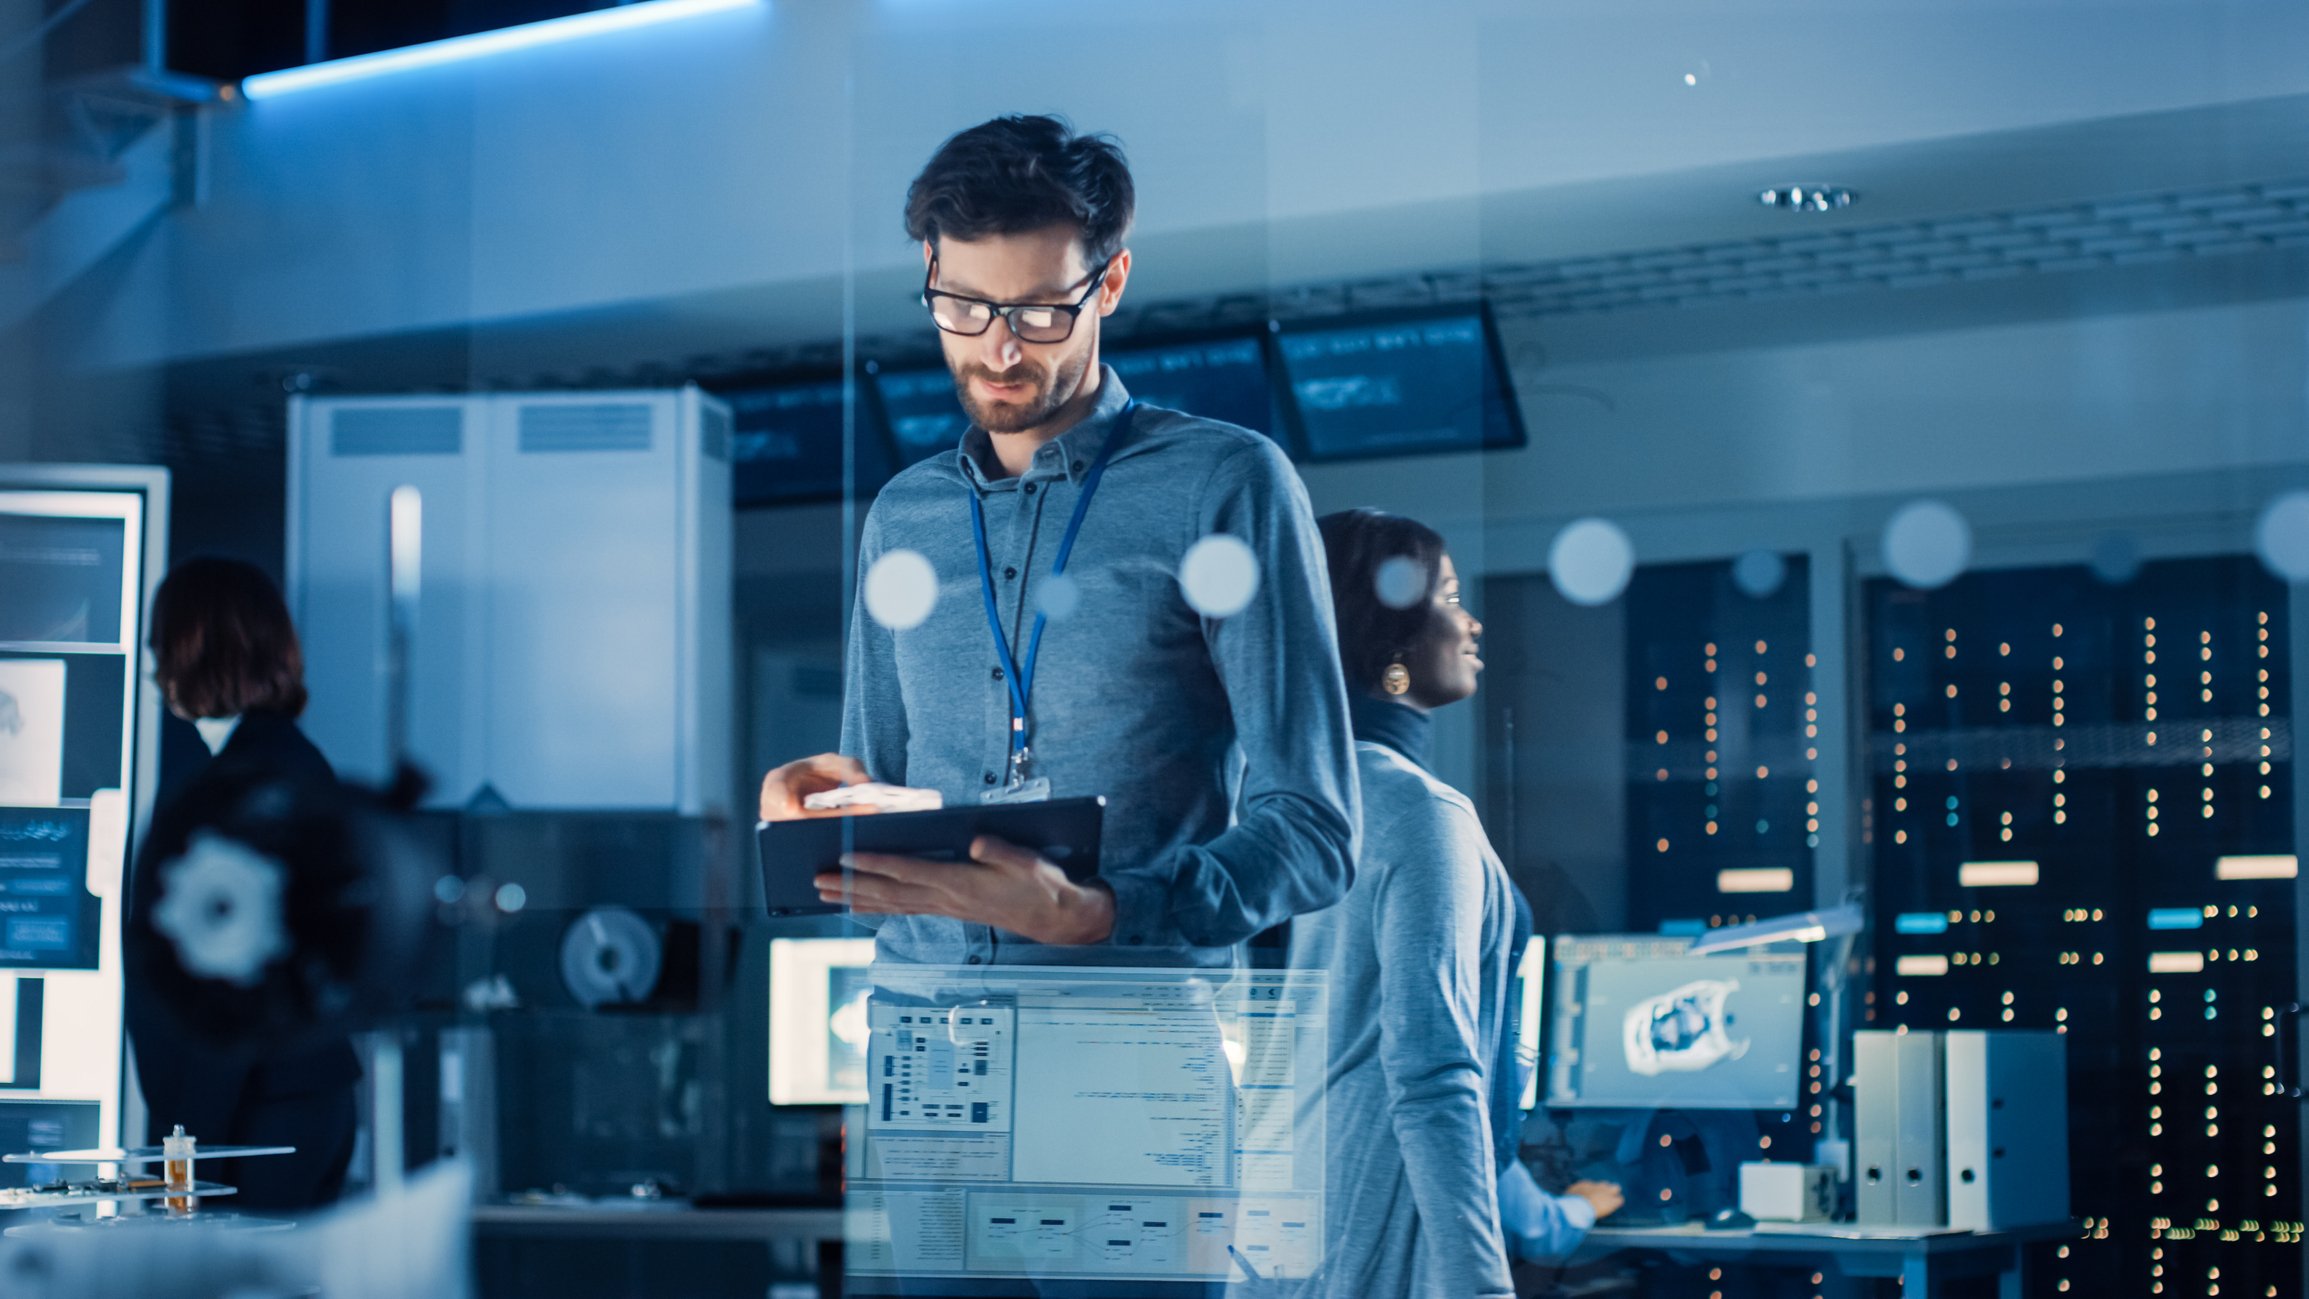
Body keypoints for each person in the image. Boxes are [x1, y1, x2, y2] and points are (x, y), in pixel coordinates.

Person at [758, 116, 1357, 967]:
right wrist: (819, 814)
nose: (997, 348)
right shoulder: (902, 516)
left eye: (1039, 312)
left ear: (1108, 283)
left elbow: (1314, 831)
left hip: (1126, 1045)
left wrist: (1102, 910)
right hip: (924, 1043)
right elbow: (878, 839)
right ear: (931, 271)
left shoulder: (1223, 484)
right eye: (963, 305)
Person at [1290, 509, 1619, 1298]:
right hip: (1384, 1239)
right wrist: (1481, 1286)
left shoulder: (1295, 802)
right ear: (1389, 632)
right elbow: (1435, 1075)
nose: (1470, 623)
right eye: (1446, 596)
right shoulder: (1417, 812)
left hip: (1291, 1225)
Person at [125, 557, 360, 1211]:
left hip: (252, 1118)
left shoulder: (244, 785)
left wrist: (181, 1170)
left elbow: (228, 987)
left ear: (203, 648)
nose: (150, 663)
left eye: (161, 641)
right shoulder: (284, 765)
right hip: (286, 1108)